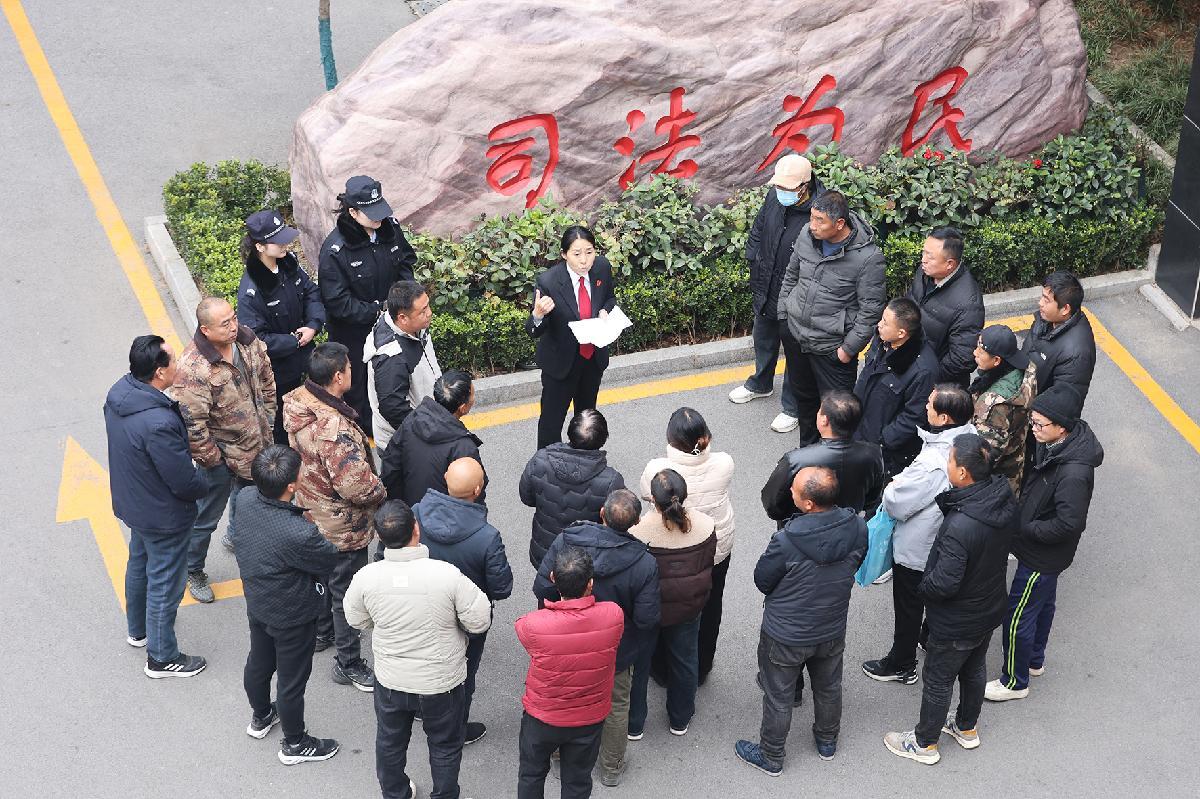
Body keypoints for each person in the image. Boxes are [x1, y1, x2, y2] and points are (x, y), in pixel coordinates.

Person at [884, 434, 1016, 765]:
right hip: (988, 608)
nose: (947, 464)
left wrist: (923, 589)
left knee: (938, 680)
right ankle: (966, 727)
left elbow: (944, 582)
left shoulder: (961, 524)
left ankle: (924, 743)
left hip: (956, 619)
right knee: (974, 668)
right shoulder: (1001, 499)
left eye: (951, 460)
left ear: (963, 473)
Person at [345, 500, 491, 799]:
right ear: (416, 529)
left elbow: (356, 619)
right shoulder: (446, 575)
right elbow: (479, 620)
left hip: (391, 680)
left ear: (379, 537)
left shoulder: (366, 578)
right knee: (445, 745)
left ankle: (395, 792)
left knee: (390, 742)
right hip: (441, 682)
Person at [735, 467, 867, 776]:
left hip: (786, 633)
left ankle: (771, 756)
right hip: (832, 625)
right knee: (829, 687)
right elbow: (857, 562)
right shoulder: (858, 528)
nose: (790, 492)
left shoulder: (787, 540)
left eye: (794, 489)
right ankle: (827, 741)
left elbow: (762, 579)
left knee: (778, 697)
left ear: (808, 503)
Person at [985, 383, 1103, 702]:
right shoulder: (1055, 443)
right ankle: (1034, 659)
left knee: (1017, 616)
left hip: (1041, 554)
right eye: (1033, 422)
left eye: (1039, 424)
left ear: (1061, 426)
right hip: (1042, 550)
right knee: (1042, 605)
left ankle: (1014, 681)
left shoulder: (1074, 472)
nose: (1033, 429)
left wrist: (1027, 529)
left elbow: (1069, 523)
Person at [533, 490, 659, 788]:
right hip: (616, 650)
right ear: (636, 522)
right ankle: (611, 768)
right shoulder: (644, 562)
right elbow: (646, 619)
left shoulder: (567, 541)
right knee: (616, 706)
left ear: (601, 512)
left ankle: (559, 758)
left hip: (564, 642)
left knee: (563, 699)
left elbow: (542, 587)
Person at [283, 342, 384, 691]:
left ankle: (323, 632)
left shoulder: (299, 402)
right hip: (342, 524)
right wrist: (381, 491)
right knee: (346, 593)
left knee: (324, 580)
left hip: (312, 511)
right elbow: (355, 486)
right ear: (338, 377)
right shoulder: (334, 430)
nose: (353, 371)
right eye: (349, 367)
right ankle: (348, 662)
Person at [105, 335, 208, 677]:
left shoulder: (120, 394)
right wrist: (203, 483)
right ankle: (162, 657)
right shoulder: (158, 423)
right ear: (160, 372)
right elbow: (182, 480)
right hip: (163, 514)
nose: (179, 365)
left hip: (136, 503)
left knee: (139, 564)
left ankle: (138, 631)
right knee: (165, 582)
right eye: (174, 361)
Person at [231, 445, 340, 765]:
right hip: (293, 614)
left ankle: (261, 715)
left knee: (259, 661)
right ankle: (295, 743)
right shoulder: (299, 533)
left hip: (258, 602)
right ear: (292, 486)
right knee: (292, 682)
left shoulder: (245, 499)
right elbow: (328, 558)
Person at [862, 385, 977, 685]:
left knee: (908, 606)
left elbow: (897, 503)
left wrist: (892, 486)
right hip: (945, 540)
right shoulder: (970, 439)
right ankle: (927, 637)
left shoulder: (933, 463)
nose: (925, 406)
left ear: (944, 417)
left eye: (930, 404)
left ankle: (902, 664)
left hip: (918, 546)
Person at [173, 296, 276, 603]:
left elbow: (266, 378)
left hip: (256, 446)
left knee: (249, 500)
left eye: (233, 318)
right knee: (205, 517)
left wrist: (268, 417)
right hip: (219, 458)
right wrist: (213, 461)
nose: (234, 326)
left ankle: (235, 535)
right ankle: (193, 569)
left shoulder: (246, 341)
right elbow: (193, 424)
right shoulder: (193, 369)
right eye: (225, 324)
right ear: (205, 330)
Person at [413, 457, 513, 745]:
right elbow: (502, 587)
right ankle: (456, 729)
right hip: (466, 620)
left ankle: (423, 707)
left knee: (424, 659)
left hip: (422, 610)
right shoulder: (487, 537)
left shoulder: (416, 513)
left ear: (446, 479)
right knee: (463, 676)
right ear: (478, 490)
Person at [774, 190, 886, 439]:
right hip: (797, 337)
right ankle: (808, 454)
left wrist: (847, 350)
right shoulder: (806, 235)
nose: (812, 225)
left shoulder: (868, 258)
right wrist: (784, 314)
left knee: (837, 415)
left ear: (839, 224)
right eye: (811, 217)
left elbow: (870, 310)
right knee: (805, 404)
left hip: (832, 347)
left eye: (819, 220)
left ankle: (836, 459)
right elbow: (791, 274)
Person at [515, 546, 624, 799]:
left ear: (553, 578)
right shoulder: (613, 615)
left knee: (531, 775)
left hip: (542, 717)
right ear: (590, 583)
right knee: (577, 781)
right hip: (589, 718)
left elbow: (523, 631)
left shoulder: (533, 624)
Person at [638, 407, 734, 685]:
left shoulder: (657, 470)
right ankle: (702, 666)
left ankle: (663, 670)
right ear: (706, 436)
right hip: (715, 549)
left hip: (666, 552)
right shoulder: (724, 463)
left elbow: (648, 495)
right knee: (711, 605)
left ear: (671, 439)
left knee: (665, 607)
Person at [319, 175, 417, 433]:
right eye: (371, 213)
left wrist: (403, 296)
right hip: (355, 333)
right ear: (353, 212)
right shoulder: (335, 250)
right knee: (360, 388)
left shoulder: (389, 228)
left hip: (391, 323)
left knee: (394, 376)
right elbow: (338, 302)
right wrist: (378, 310)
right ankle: (366, 434)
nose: (378, 218)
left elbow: (405, 261)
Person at [731, 154, 824, 420]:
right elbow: (758, 229)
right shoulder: (775, 196)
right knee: (763, 339)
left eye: (787, 188)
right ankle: (761, 383)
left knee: (796, 352)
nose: (781, 191)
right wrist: (753, 259)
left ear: (804, 186)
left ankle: (793, 406)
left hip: (797, 294)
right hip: (768, 283)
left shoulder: (821, 210)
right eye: (779, 186)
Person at [628, 469, 717, 739]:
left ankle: (634, 724)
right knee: (685, 660)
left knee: (638, 665)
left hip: (647, 609)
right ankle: (680, 718)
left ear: (653, 500)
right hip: (688, 607)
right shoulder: (706, 526)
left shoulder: (638, 531)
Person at [236, 209, 325, 445]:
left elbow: (311, 292)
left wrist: (313, 325)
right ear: (260, 247)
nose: (286, 244)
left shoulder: (288, 263)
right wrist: (294, 341)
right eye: (278, 241)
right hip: (279, 372)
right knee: (284, 425)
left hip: (306, 355)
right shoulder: (251, 292)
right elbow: (257, 339)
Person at [526, 226, 618, 450]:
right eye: (577, 254)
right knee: (551, 422)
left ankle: (586, 459)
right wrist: (538, 315)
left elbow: (609, 298)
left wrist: (605, 310)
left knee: (586, 420)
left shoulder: (602, 268)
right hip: (561, 363)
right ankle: (547, 463)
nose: (584, 260)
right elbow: (533, 331)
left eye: (589, 252)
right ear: (564, 254)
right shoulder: (549, 281)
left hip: (592, 359)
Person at [521, 409, 625, 569]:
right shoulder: (611, 480)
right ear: (603, 439)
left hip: (545, 553)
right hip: (584, 562)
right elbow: (618, 523)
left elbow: (526, 497)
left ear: (569, 432)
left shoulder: (540, 459)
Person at [762, 390, 885, 522]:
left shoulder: (795, 460)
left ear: (824, 420)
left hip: (802, 526)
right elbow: (872, 497)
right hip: (847, 522)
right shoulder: (873, 454)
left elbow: (772, 504)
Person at [854, 297, 939, 476]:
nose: (879, 325)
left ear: (901, 333)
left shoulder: (923, 370)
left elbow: (913, 417)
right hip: (860, 434)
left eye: (885, 322)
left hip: (884, 452)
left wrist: (882, 441)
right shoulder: (882, 340)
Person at [381, 370, 483, 508]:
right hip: (443, 518)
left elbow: (391, 467)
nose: (474, 398)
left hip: (410, 512)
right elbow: (473, 494)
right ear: (463, 408)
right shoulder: (464, 447)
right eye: (473, 395)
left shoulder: (412, 420)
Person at [364, 279, 441, 455]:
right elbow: (394, 409)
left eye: (428, 306)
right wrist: (427, 432)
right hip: (407, 444)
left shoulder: (414, 326)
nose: (429, 313)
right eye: (423, 311)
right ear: (402, 318)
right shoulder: (391, 356)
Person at [905, 227, 984, 387]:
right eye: (923, 253)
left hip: (935, 384)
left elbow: (962, 359)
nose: (923, 260)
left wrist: (924, 375)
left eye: (930, 256)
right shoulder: (925, 272)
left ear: (950, 264)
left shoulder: (968, 304)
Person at [969, 325, 1038, 496]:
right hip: (1016, 459)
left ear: (997, 360)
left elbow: (986, 456)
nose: (975, 353)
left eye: (981, 351)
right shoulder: (1026, 369)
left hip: (996, 483)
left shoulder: (994, 406)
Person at [1021, 271, 1096, 405]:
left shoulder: (1077, 354)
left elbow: (1061, 403)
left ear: (1065, 309)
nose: (1040, 303)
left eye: (1046, 300)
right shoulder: (1046, 318)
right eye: (1042, 296)